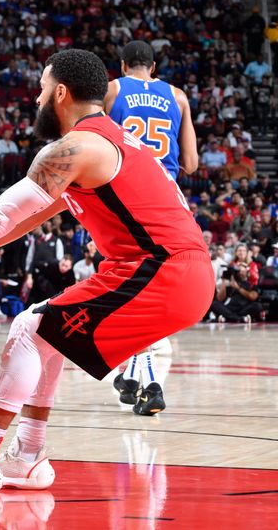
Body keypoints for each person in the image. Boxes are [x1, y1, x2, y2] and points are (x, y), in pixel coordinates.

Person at [0, 49, 213, 493]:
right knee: (50, 332)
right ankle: (26, 457)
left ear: (60, 92)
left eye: (41, 89)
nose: (36, 99)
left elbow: (0, 215)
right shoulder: (110, 143)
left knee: (29, 328)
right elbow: (20, 222)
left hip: (164, 270)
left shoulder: (72, 149)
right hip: (176, 270)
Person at [104, 40, 199, 415]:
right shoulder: (178, 96)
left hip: (130, 194)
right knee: (150, 286)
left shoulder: (113, 88)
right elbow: (190, 163)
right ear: (154, 67)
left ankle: (151, 383)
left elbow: (99, 140)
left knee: (132, 287)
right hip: (170, 197)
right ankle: (131, 374)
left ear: (124, 64)